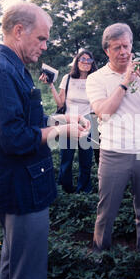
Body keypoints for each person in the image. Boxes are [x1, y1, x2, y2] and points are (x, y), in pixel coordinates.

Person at [0, 2, 90, 279]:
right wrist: (60, 132)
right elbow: (13, 138)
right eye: (41, 39)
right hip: (21, 185)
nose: (44, 47)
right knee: (29, 269)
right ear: (19, 31)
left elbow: (28, 122)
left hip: (20, 183)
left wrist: (61, 119)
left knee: (14, 261)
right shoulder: (0, 71)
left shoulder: (10, 67)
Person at [86, 23, 140, 252]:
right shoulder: (96, 78)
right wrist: (126, 80)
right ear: (107, 50)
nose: (123, 52)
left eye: (126, 46)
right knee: (106, 211)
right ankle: (100, 255)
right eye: (117, 47)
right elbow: (104, 112)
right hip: (114, 151)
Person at [40, 49, 97, 193]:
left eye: (88, 60)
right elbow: (60, 103)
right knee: (66, 159)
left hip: (87, 124)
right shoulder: (68, 78)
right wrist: (51, 85)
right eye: (82, 59)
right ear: (77, 62)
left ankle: (84, 190)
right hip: (68, 123)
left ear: (92, 63)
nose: (85, 62)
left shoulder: (95, 80)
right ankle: (65, 189)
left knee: (85, 161)